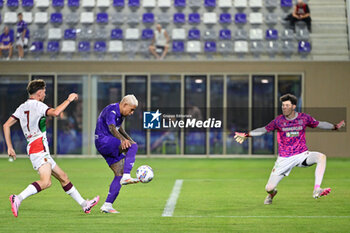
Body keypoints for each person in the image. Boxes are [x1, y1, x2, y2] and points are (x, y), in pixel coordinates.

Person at [3, 79, 99, 218]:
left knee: (63, 178)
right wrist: (69, 99)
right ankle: (17, 198)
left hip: (36, 147)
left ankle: (84, 204)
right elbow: (55, 112)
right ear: (39, 93)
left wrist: (10, 147)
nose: (45, 94)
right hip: (38, 148)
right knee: (46, 182)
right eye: (44, 92)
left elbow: (6, 125)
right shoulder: (38, 105)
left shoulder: (22, 107)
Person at [234, 94, 345, 205]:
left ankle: (317, 188)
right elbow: (263, 129)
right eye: (283, 105)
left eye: (287, 105)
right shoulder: (278, 121)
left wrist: (334, 127)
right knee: (269, 188)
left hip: (302, 154)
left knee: (321, 157)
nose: (284, 107)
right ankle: (272, 194)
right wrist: (247, 135)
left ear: (293, 106)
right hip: (284, 158)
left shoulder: (304, 118)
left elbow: (320, 124)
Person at [95, 94, 140, 214]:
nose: (132, 113)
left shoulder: (121, 114)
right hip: (104, 141)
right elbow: (112, 128)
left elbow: (120, 129)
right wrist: (123, 140)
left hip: (106, 143)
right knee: (133, 147)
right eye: (131, 109)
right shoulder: (112, 109)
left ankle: (107, 205)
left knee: (118, 174)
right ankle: (127, 175)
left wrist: (128, 138)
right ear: (124, 104)